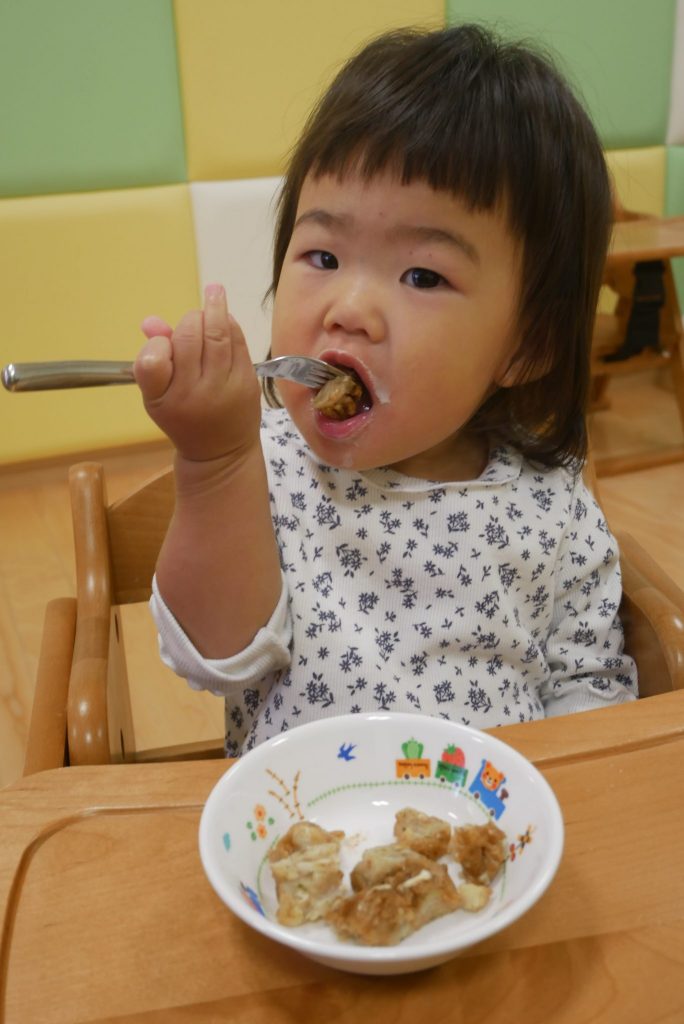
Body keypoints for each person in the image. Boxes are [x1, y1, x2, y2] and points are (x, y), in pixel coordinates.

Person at [134, 24, 637, 756]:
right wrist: (214, 463)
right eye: (324, 254)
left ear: (526, 344)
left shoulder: (552, 508)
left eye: (423, 276)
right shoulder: (260, 471)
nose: (349, 308)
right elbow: (216, 657)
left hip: (488, 853)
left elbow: (591, 689)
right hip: (299, 846)